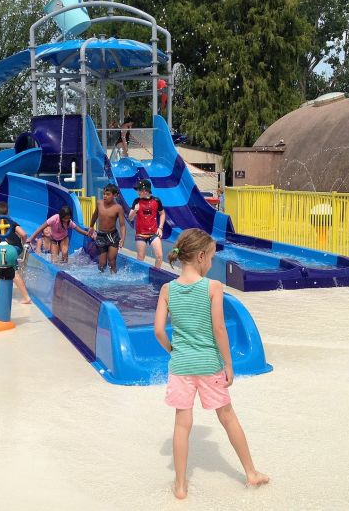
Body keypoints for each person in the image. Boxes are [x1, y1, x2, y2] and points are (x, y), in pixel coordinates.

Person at [153, 228, 269, 499]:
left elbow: (158, 330)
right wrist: (229, 365)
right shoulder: (212, 287)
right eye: (212, 258)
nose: (212, 263)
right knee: (227, 417)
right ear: (202, 256)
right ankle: (251, 473)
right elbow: (219, 328)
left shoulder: (167, 289)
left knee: (182, 423)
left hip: (181, 366)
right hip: (209, 364)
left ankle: (180, 486)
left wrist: (174, 350)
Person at [0, 201, 31, 304]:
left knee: (13, 271)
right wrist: (25, 245)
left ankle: (26, 297)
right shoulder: (10, 221)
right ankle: (7, 290)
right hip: (17, 248)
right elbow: (24, 234)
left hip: (8, 251)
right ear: (7, 212)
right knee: (8, 267)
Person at [88, 184, 127, 273]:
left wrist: (123, 239)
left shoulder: (118, 208)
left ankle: (114, 278)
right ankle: (101, 281)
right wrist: (91, 226)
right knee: (102, 264)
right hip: (101, 236)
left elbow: (122, 225)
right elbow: (95, 215)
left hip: (112, 236)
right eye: (104, 194)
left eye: (108, 194)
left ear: (115, 195)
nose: (105, 196)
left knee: (111, 261)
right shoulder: (99, 203)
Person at [128, 178, 166, 269]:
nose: (138, 192)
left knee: (159, 256)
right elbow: (130, 218)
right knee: (140, 257)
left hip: (153, 233)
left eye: (139, 190)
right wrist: (134, 211)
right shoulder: (136, 201)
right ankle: (139, 275)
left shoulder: (156, 201)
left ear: (146, 191)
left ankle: (156, 274)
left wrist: (160, 227)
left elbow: (162, 213)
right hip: (141, 234)